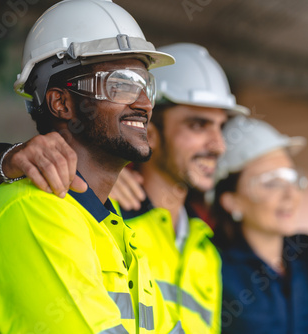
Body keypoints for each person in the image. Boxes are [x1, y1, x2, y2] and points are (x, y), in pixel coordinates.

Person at [0, 0, 182, 332]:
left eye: (145, 86)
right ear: (61, 102)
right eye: (121, 84)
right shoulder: (35, 210)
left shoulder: (115, 229)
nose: (143, 103)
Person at [113, 43, 249, 334]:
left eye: (220, 127)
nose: (219, 145)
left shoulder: (206, 251)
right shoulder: (108, 221)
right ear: (148, 132)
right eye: (198, 125)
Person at [212, 116, 308, 333]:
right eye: (271, 183)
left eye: (291, 178)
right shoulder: (213, 266)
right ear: (231, 202)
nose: (290, 194)